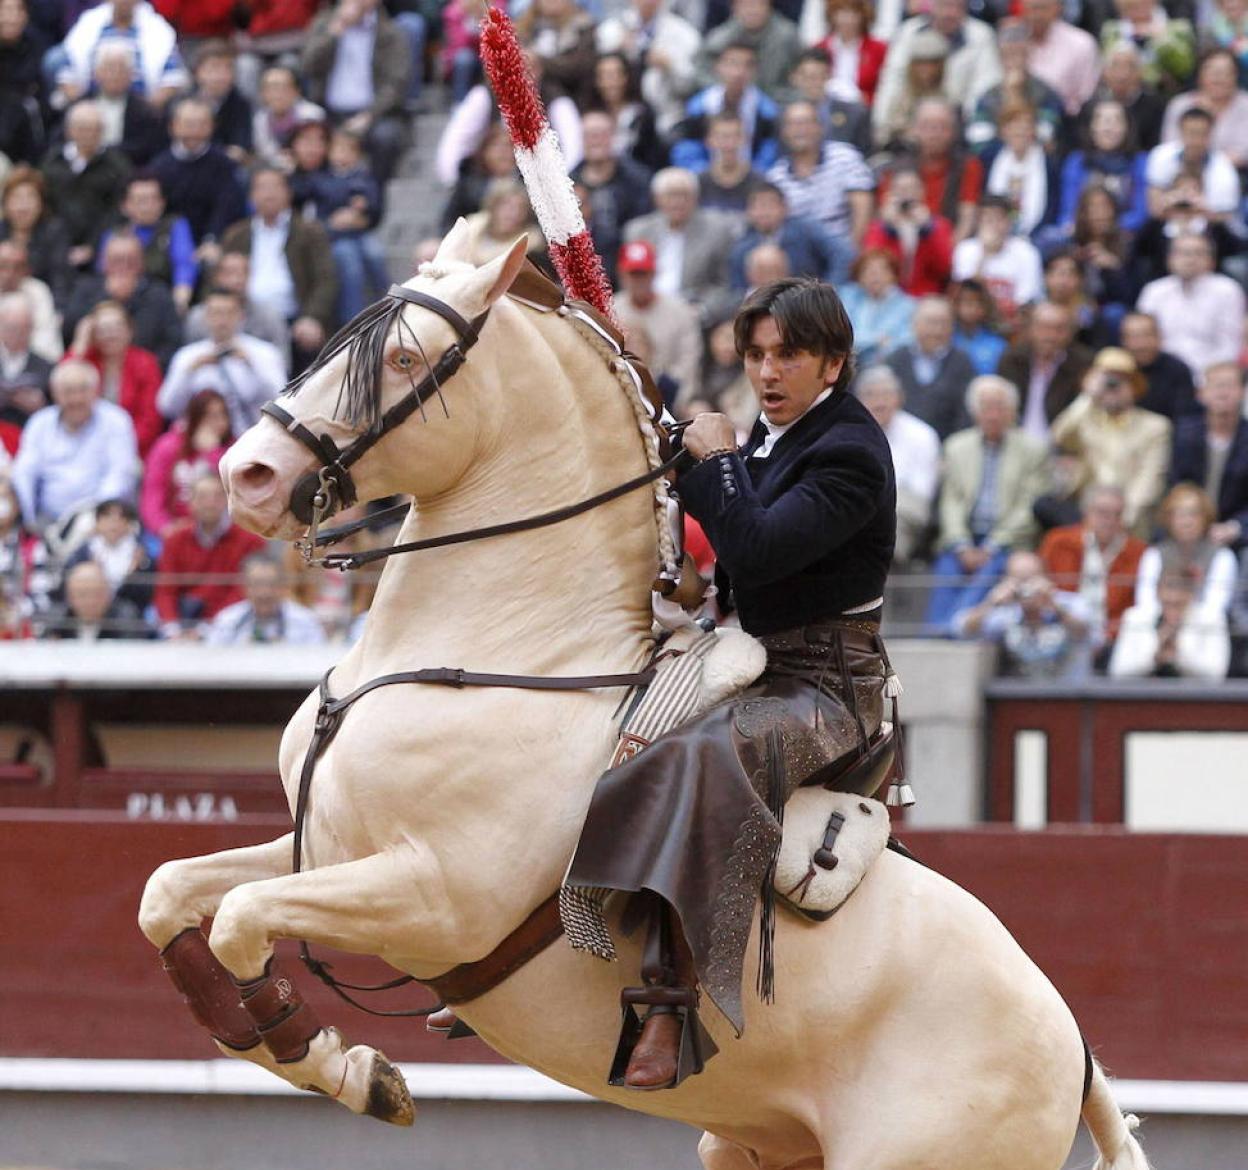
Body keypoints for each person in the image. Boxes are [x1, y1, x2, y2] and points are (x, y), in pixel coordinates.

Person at [557, 277, 898, 1092]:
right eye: (755, 354)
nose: (767, 371)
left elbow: (754, 547)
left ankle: (672, 1004)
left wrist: (713, 459)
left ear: (834, 363)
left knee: (703, 757)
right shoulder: (780, 438)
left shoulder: (849, 448)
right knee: (600, 724)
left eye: (788, 355)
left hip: (828, 689)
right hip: (754, 657)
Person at [925, 374, 1050, 631]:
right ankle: (938, 629)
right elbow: (952, 502)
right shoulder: (957, 446)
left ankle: (955, 627)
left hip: (1008, 539)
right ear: (975, 412)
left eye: (1000, 407)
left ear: (1012, 412)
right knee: (948, 563)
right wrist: (961, 544)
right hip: (967, 536)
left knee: (992, 566)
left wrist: (992, 545)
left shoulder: (1033, 449)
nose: (993, 415)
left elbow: (1028, 507)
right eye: (986, 408)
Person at [220, 167, 338, 371]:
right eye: (262, 188)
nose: (269, 194)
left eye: (275, 187)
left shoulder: (309, 231)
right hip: (244, 317)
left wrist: (312, 317)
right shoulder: (236, 235)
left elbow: (326, 279)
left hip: (294, 318)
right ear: (251, 195)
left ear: (288, 193)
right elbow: (219, 278)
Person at [1047, 348, 1171, 540]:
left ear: (1134, 387)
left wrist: (1121, 519)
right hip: (1084, 514)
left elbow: (1149, 480)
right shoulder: (1085, 420)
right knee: (1044, 504)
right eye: (1108, 382)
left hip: (1130, 517)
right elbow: (1058, 436)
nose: (1113, 388)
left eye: (1121, 382)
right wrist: (1088, 396)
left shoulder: (1155, 427)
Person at [10, 359, 139, 532]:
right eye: (68, 391)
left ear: (96, 391)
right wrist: (28, 518)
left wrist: (95, 517)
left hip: (100, 522)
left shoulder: (116, 421)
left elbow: (119, 475)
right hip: (46, 522)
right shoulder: (39, 423)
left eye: (83, 390)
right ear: (55, 393)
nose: (76, 398)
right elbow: (24, 472)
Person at [300, 0, 411, 184]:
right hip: (327, 111)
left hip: (372, 114)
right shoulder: (323, 24)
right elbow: (307, 66)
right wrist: (334, 33)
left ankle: (374, 197)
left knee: (386, 136)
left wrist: (369, 115)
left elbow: (395, 84)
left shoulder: (391, 32)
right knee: (306, 135)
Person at [158, 288, 287, 436]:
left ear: (241, 316)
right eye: (216, 313)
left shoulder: (264, 353)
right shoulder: (187, 356)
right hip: (201, 444)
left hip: (252, 439)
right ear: (206, 316)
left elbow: (281, 402)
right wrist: (189, 371)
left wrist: (253, 365)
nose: (222, 320)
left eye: (229, 313)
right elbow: (166, 407)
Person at [153, 470, 265, 639]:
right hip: (182, 623)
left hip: (231, 625)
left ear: (228, 501)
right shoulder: (174, 540)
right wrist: (173, 630)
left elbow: (242, 591)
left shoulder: (250, 541)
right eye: (202, 497)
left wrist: (206, 629)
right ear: (190, 502)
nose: (210, 504)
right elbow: (166, 590)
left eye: (217, 497)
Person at [952, 549, 1094, 678]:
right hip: (1020, 696)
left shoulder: (1072, 603)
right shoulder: (1005, 613)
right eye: (1019, 580)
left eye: (1032, 578)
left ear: (1046, 577)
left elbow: (1086, 632)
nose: (1026, 587)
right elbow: (962, 629)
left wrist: (1054, 605)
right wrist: (991, 603)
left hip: (1068, 696)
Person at [623, 168, 739, 324]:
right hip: (645, 309)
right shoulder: (638, 230)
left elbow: (724, 284)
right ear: (657, 199)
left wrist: (703, 310)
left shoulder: (716, 231)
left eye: (684, 195)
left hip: (692, 311)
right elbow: (627, 278)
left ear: (695, 198)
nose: (678, 202)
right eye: (671, 195)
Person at [1040, 484, 1146, 653]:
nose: (1110, 520)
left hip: (1113, 641)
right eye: (1102, 513)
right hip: (1063, 634)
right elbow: (1044, 588)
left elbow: (1137, 605)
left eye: (1117, 514)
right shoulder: (1059, 542)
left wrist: (1109, 635)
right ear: (1087, 512)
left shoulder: (1138, 552)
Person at [855, 364, 939, 563]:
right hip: (858, 508)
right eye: (870, 395)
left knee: (883, 533)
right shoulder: (846, 433)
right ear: (859, 400)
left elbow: (922, 492)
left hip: (905, 511)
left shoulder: (922, 434)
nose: (879, 402)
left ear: (900, 398)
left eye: (886, 395)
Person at [62, 233, 184, 369]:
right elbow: (68, 333)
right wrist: (108, 296)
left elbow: (173, 342)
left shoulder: (158, 294)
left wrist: (145, 367)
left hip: (144, 373)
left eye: (130, 260)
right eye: (117, 260)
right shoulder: (85, 289)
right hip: (93, 372)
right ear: (104, 262)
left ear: (141, 263)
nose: (123, 266)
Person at [766, 100, 874, 248]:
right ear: (784, 132)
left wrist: (851, 253)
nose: (800, 130)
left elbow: (862, 207)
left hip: (842, 248)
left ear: (820, 127)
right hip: (800, 256)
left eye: (805, 123)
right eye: (793, 124)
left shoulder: (845, 158)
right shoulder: (776, 177)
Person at [1136, 231, 1245, 377]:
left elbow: (1229, 346)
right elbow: (1141, 337)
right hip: (1162, 373)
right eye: (1182, 253)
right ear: (1169, 259)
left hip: (1211, 374)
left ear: (1211, 260)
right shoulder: (1154, 291)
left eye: (1198, 253)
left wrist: (1208, 377)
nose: (1190, 259)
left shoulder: (1227, 290)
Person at [873, 0, 1000, 124]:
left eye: (958, 7)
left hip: (960, 119)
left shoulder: (982, 35)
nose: (951, 13)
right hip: (910, 116)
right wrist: (881, 121)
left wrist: (963, 123)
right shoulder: (909, 31)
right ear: (932, 6)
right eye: (945, 5)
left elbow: (984, 85)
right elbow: (893, 78)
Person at [147, 97, 246, 257]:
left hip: (212, 244)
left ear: (212, 127)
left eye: (202, 124)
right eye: (188, 124)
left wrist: (211, 240)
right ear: (173, 126)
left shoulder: (224, 165)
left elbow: (227, 208)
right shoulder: (159, 166)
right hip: (168, 243)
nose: (194, 131)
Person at [40, 101, 133, 267]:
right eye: (81, 128)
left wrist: (93, 246)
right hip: (56, 246)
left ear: (102, 131)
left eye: (94, 128)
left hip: (102, 249)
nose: (88, 134)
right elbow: (46, 205)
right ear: (69, 130)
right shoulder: (52, 162)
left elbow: (118, 209)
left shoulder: (118, 165)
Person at [66, 299, 164, 456]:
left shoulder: (145, 363)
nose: (110, 335)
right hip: (81, 448)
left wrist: (118, 448)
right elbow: (62, 384)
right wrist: (80, 344)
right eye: (102, 329)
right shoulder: (87, 360)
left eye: (116, 327)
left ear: (129, 330)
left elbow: (149, 421)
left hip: (131, 450)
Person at [54, 0, 188, 111]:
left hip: (139, 107)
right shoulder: (88, 24)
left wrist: (147, 109)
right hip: (92, 104)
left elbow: (173, 78)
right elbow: (66, 73)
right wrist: (81, 106)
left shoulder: (158, 29)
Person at [594, 0, 701, 139]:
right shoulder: (614, 28)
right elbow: (598, 64)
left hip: (666, 117)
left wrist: (669, 66)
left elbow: (690, 85)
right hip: (622, 112)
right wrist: (619, 48)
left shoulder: (684, 33)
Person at [614, 241, 703, 407]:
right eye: (633, 274)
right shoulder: (610, 311)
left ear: (654, 273)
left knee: (698, 410)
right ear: (622, 275)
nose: (638, 280)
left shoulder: (681, 311)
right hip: (621, 395)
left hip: (670, 398)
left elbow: (688, 366)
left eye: (643, 273)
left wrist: (662, 399)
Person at [1170, 363, 1248, 550]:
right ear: (1201, 393)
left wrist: (1234, 527)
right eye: (1216, 385)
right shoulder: (1184, 433)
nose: (1223, 392)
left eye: (1229, 385)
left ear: (1243, 392)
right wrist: (1190, 519)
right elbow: (1176, 484)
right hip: (1186, 523)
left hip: (1236, 532)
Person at [671, 41, 781, 174]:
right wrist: (707, 175)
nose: (739, 72)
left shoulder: (767, 112)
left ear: (755, 71)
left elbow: (770, 152)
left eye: (747, 65)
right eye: (732, 64)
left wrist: (749, 177)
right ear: (718, 67)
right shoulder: (698, 107)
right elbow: (686, 150)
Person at [572, 111, 654, 286]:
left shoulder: (637, 180)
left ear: (614, 137)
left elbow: (643, 228)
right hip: (581, 276)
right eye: (589, 135)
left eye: (601, 134)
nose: (595, 140)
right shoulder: (567, 182)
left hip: (629, 271)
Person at [97, 173, 197, 314]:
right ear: (124, 206)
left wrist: (180, 300)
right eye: (140, 201)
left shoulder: (175, 226)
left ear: (162, 202)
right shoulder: (114, 234)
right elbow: (104, 272)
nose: (147, 207)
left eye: (153, 199)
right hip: (121, 304)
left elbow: (184, 264)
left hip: (163, 302)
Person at [997, 301, 1092, 441]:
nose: (1050, 336)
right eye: (1044, 328)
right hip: (1015, 443)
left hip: (1061, 445)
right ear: (1031, 329)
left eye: (1059, 329)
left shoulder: (1082, 364)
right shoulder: (1012, 360)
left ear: (1070, 333)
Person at [728, 183, 851, 290]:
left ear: (784, 208)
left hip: (808, 302)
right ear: (748, 212)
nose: (764, 212)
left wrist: (826, 291)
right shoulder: (742, 248)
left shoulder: (806, 230)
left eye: (769, 205)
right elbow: (738, 290)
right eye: (758, 206)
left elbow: (844, 255)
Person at [1109, 572, 1230, 679]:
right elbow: (1118, 671)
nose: (1173, 597)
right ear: (1158, 592)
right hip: (1145, 697)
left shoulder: (1211, 619)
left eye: (1178, 604)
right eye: (1168, 603)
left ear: (1190, 595)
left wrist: (1178, 654)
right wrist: (1155, 657)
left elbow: (1216, 673)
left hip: (1192, 699)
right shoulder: (1135, 617)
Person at [884, 295, 974, 439]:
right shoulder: (895, 360)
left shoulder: (962, 363)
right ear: (914, 324)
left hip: (946, 444)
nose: (937, 330)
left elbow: (966, 414)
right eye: (931, 323)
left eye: (944, 323)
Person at [951, 195, 1044, 329]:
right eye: (986, 218)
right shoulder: (965, 249)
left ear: (1009, 222)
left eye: (998, 218)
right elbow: (966, 297)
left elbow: (1025, 302)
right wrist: (984, 254)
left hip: (1010, 324)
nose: (992, 224)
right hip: (974, 323)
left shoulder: (1027, 252)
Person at [861, 166, 955, 297]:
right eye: (900, 189)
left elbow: (945, 268)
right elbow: (871, 265)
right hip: (887, 297)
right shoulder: (879, 227)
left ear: (922, 191)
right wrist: (888, 230)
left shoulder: (938, 226)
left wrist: (927, 231)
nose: (906, 194)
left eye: (911, 188)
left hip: (924, 297)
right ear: (890, 193)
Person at [1057, 99, 1148, 234]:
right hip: (1081, 234)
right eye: (1102, 121)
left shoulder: (1139, 162)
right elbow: (1068, 209)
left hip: (1125, 235)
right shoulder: (1076, 161)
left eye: (1116, 121)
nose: (1109, 128)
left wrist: (1110, 230)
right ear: (1091, 127)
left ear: (1127, 128)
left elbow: (1141, 212)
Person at [205, 552, 327, 644]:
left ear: (283, 585)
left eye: (271, 584)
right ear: (244, 586)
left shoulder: (305, 621)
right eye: (257, 584)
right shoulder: (228, 620)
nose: (264, 593)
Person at [184, 251, 289, 357]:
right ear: (216, 277)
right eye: (229, 273)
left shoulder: (268, 316)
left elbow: (282, 362)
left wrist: (252, 360)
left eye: (242, 273)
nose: (236, 280)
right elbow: (187, 357)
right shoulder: (198, 317)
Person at [60, 496, 154, 615]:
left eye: (120, 518)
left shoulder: (142, 554)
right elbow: (67, 584)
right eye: (107, 517)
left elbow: (147, 593)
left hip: (127, 611)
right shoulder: (83, 552)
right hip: (86, 611)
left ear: (129, 524)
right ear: (97, 522)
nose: (113, 525)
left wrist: (133, 573)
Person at [1159, 48, 1248, 172]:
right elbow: (1169, 147)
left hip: (1238, 174)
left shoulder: (1245, 105)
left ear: (1236, 76)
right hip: (1183, 172)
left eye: (1226, 72)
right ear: (1200, 74)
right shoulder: (1180, 105)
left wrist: (1213, 166)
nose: (1219, 78)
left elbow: (1244, 152)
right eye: (1213, 72)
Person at [1144, 106, 1240, 218]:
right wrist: (1174, 199)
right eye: (1191, 133)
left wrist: (1199, 207)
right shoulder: (1161, 155)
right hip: (1168, 223)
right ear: (1180, 131)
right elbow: (1154, 207)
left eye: (1202, 134)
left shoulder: (1224, 168)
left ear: (1211, 134)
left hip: (1209, 227)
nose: (1195, 140)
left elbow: (1224, 217)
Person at [696, 0, 803, 100]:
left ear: (769, 6)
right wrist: (723, 89)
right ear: (734, 8)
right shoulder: (720, 38)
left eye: (758, 4)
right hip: (731, 100)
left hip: (778, 99)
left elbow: (801, 72)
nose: (752, 10)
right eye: (746, 5)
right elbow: (701, 72)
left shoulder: (788, 36)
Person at [0, 167, 72, 311]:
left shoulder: (54, 232)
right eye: (16, 198)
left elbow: (60, 280)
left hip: (40, 305)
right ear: (5, 203)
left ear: (41, 204)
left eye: (30, 197)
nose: (23, 206)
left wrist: (58, 311)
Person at [87, 40, 167, 166]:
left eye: (121, 69)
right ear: (96, 73)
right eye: (109, 69)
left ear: (131, 74)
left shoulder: (146, 112)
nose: (115, 75)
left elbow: (149, 149)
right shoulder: (79, 106)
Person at [1018, 0, 1101, 117]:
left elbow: (1087, 96)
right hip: (1019, 121)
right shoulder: (1013, 42)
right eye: (1031, 9)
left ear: (1058, 8)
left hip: (1068, 121)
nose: (1036, 15)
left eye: (1042, 8)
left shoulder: (1081, 43)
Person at [1099, 0, 1196, 97]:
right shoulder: (1112, 31)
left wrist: (1160, 39)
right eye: (1132, 6)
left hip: (1165, 93)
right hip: (1125, 94)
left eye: (1144, 3)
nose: (1139, 9)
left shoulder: (1179, 28)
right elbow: (1108, 67)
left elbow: (1184, 68)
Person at [40, 558, 153, 640]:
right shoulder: (59, 622)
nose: (90, 602)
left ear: (108, 595)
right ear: (70, 597)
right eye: (82, 595)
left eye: (96, 594)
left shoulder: (125, 620)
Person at [838, 250, 915, 366]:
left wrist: (862, 344)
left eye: (881, 271)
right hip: (849, 366)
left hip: (889, 367)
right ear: (859, 277)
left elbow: (904, 344)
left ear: (894, 275)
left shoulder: (909, 306)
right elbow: (842, 338)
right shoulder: (847, 297)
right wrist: (876, 340)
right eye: (867, 271)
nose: (874, 276)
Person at [1118, 310, 1199, 421]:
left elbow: (1184, 416)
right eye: (1134, 337)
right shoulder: (1116, 369)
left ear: (1159, 337)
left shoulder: (1177, 370)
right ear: (1123, 341)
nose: (1141, 344)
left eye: (1147, 335)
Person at [250, 64, 326, 168]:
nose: (277, 94)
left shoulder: (313, 115)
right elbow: (264, 154)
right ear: (263, 93)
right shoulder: (259, 119)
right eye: (271, 88)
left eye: (283, 88)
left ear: (296, 91)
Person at [695, 113, 767, 213]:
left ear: (745, 139)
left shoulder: (760, 182)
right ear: (709, 140)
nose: (729, 143)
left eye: (735, 136)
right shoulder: (698, 183)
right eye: (723, 137)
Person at [0, 292, 52, 430]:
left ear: (31, 329)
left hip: (30, 432)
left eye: (24, 328)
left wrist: (40, 405)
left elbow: (55, 412)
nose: (17, 334)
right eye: (12, 328)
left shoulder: (46, 366)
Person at [951, 278, 1007, 376]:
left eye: (978, 302)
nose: (972, 308)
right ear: (956, 305)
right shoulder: (946, 337)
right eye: (966, 301)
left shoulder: (998, 344)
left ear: (986, 307)